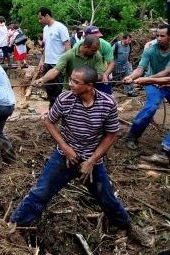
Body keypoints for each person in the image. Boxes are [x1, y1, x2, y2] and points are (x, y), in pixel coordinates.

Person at [9, 66, 154, 248]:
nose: (70, 84)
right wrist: (65, 147)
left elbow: (111, 135)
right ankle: (14, 227)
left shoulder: (107, 103)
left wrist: (91, 161)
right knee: (40, 192)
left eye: (76, 82)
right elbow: (49, 121)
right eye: (70, 80)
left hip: (92, 161)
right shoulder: (65, 99)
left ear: (90, 86)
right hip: (64, 157)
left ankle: (129, 227)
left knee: (107, 197)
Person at [122, 24, 170, 151]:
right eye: (157, 35)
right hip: (153, 84)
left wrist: (147, 79)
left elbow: (166, 72)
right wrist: (131, 77)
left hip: (165, 82)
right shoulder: (150, 50)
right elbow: (140, 69)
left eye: (162, 36)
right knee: (152, 106)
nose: (159, 38)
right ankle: (132, 136)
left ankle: (167, 146)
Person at [35, 35, 105, 88]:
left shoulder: (96, 55)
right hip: (70, 89)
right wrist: (43, 79)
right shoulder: (69, 54)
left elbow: (100, 75)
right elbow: (56, 70)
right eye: (93, 50)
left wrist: (84, 80)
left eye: (96, 50)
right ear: (85, 46)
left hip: (87, 89)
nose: (96, 52)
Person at [37, 7, 71, 107]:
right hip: (47, 63)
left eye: (40, 18)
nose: (40, 21)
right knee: (49, 89)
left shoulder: (60, 27)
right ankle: (52, 111)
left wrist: (65, 64)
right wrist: (42, 61)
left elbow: (68, 47)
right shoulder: (45, 29)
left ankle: (59, 112)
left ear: (47, 15)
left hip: (57, 64)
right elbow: (46, 47)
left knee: (58, 90)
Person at [72, 25, 114, 94]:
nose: (97, 39)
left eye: (98, 36)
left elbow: (111, 63)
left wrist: (106, 74)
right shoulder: (78, 46)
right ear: (86, 37)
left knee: (104, 96)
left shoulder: (105, 45)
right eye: (94, 37)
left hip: (101, 75)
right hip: (84, 76)